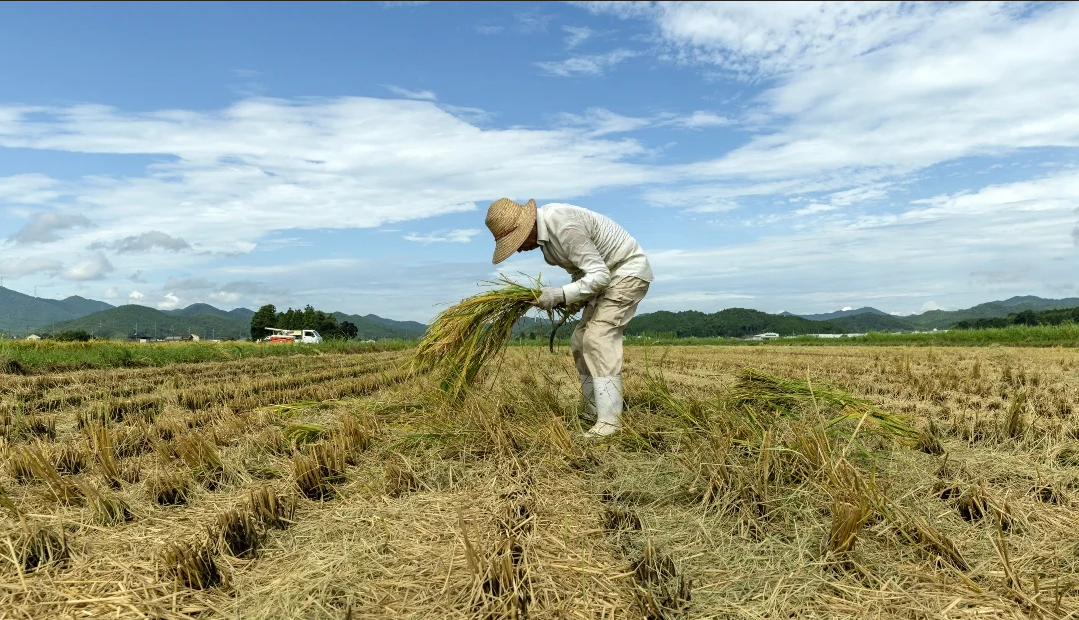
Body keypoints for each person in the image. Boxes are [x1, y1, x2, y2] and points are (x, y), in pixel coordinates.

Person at [484, 197, 653, 438]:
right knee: (579, 341)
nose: (519, 249)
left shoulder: (563, 225)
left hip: (625, 273)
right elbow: (582, 273)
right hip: (605, 279)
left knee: (598, 338)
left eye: (517, 242)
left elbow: (600, 275)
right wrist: (570, 299)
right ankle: (592, 410)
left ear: (526, 226)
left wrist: (561, 294)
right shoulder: (548, 245)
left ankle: (610, 423)